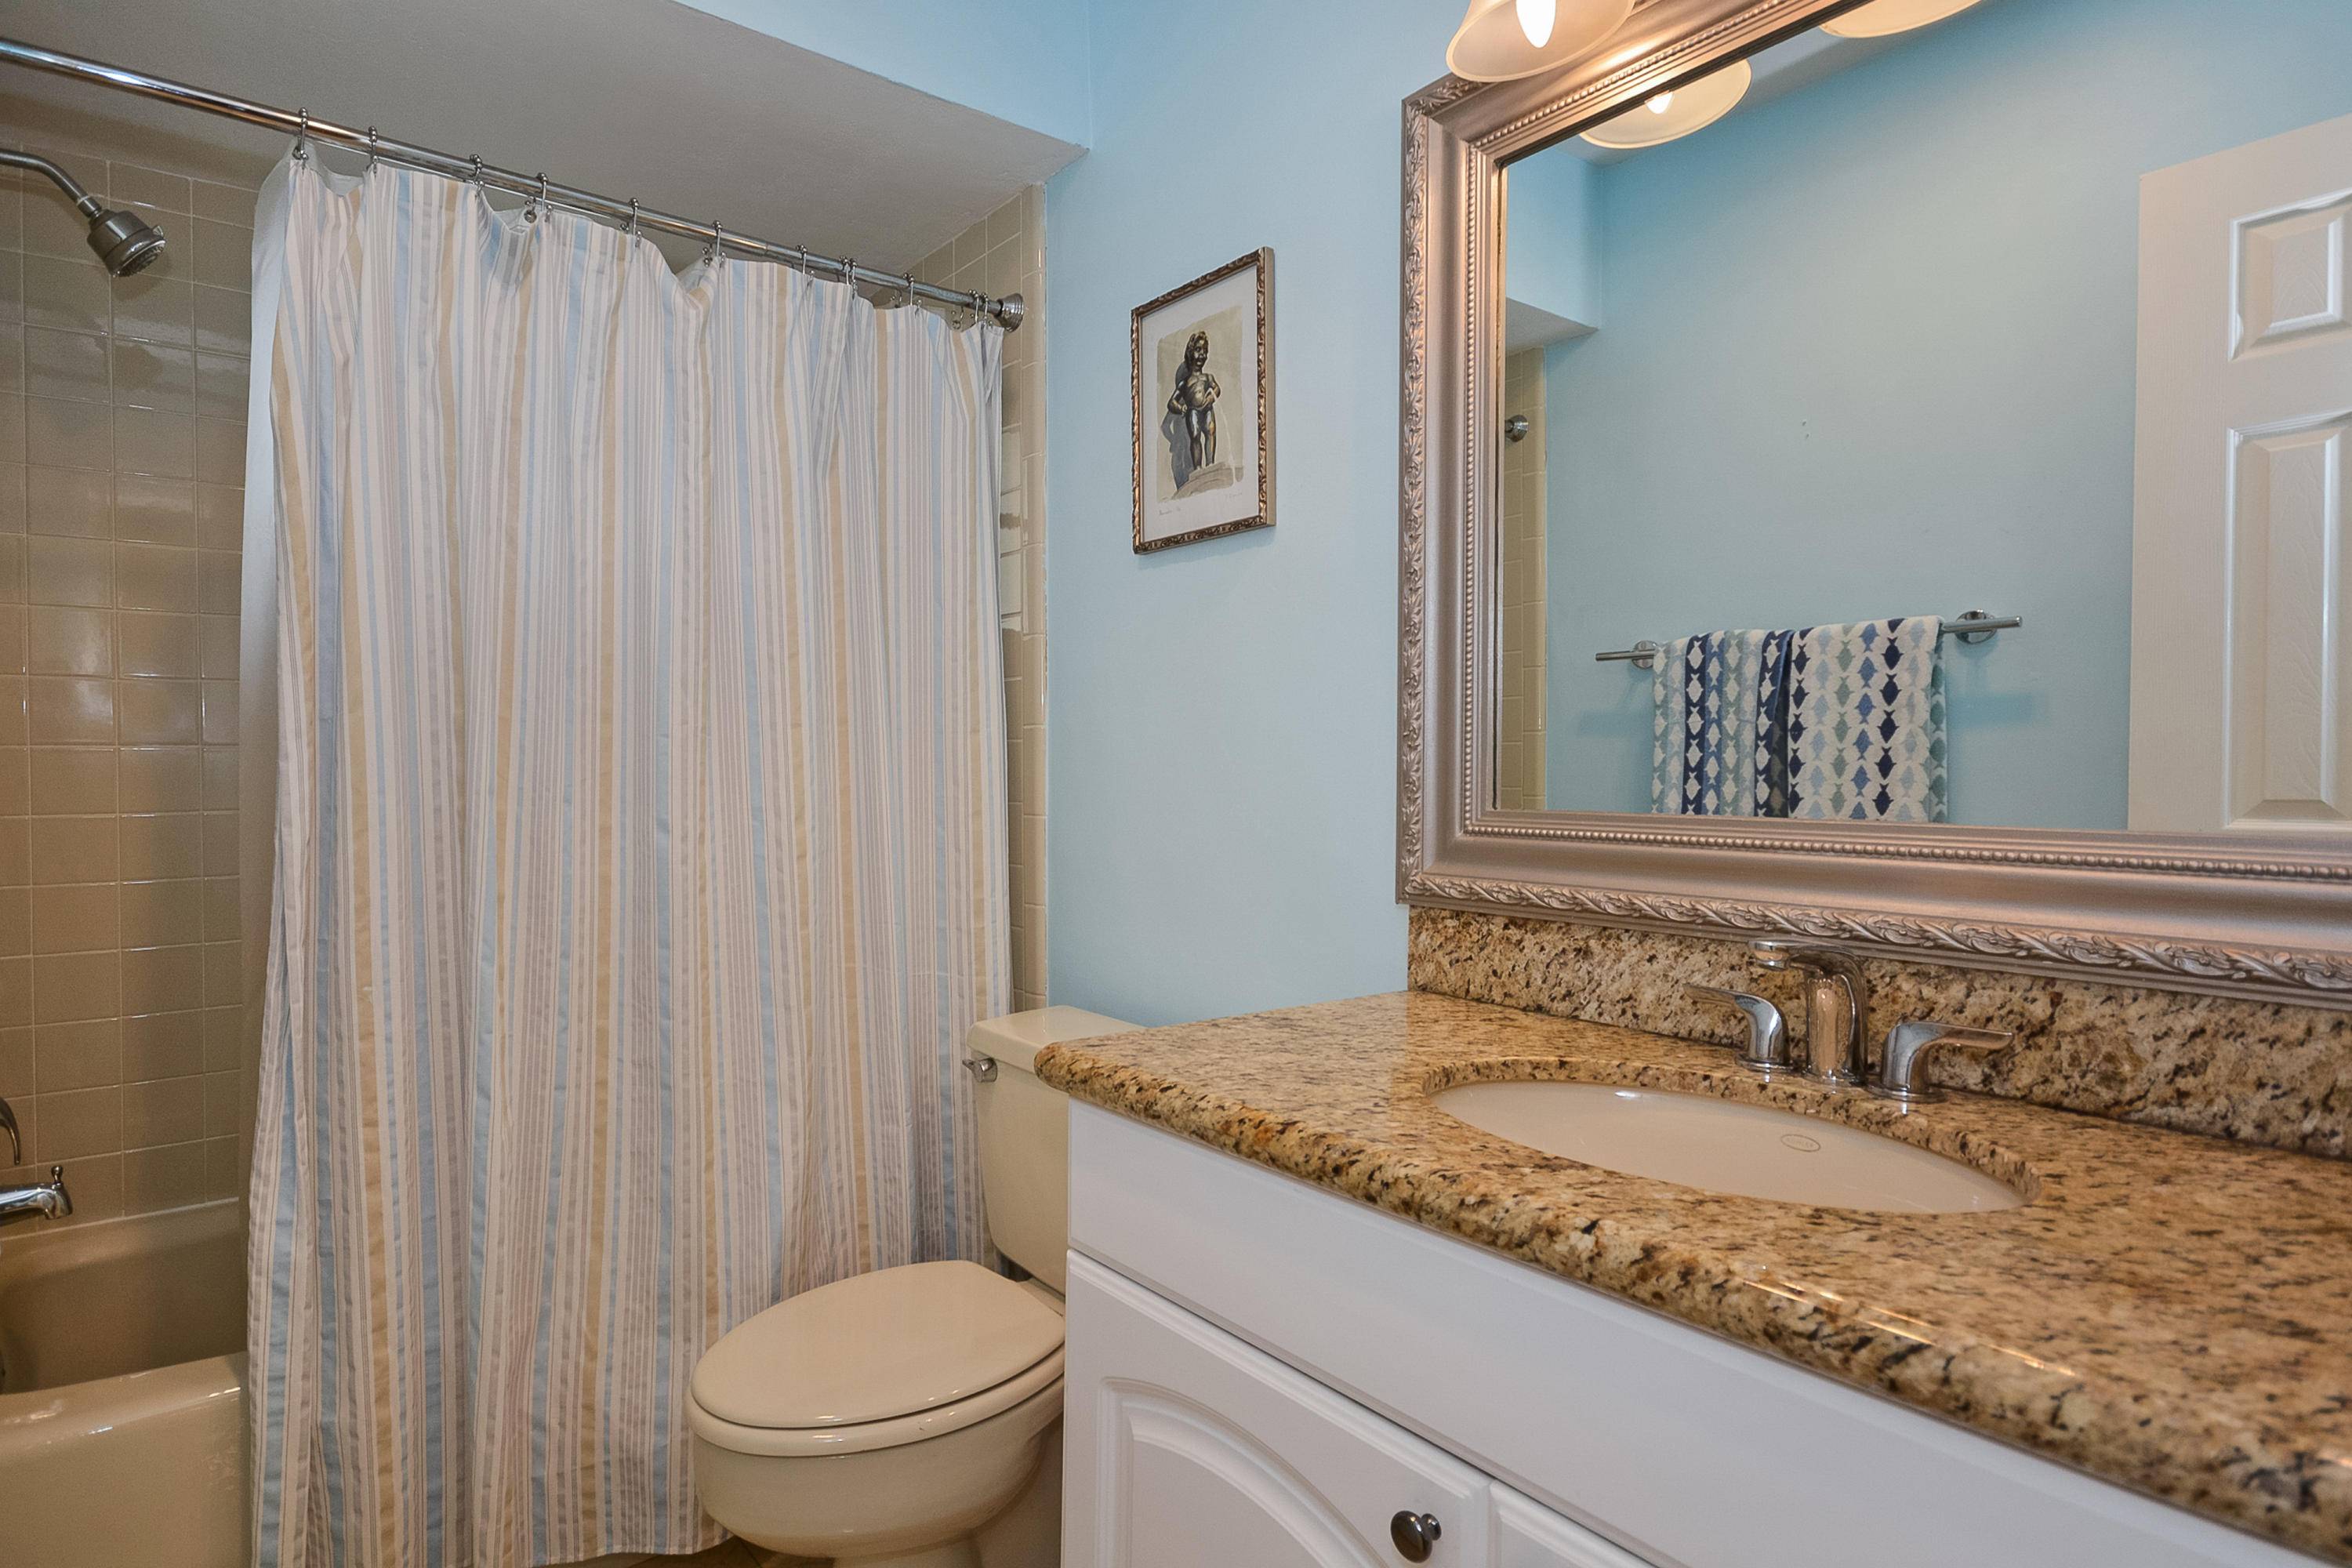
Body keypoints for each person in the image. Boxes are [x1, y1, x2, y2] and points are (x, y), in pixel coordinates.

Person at [1167, 329, 1220, 477]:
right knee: (1195, 436)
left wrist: (1211, 396)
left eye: (1204, 351)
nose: (1202, 355)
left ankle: (1210, 464)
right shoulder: (1185, 383)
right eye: (1198, 350)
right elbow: (1171, 402)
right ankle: (1197, 468)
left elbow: (1217, 388)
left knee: (1210, 432)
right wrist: (1180, 408)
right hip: (1193, 411)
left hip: (1208, 408)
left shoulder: (1208, 377)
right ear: (1190, 353)